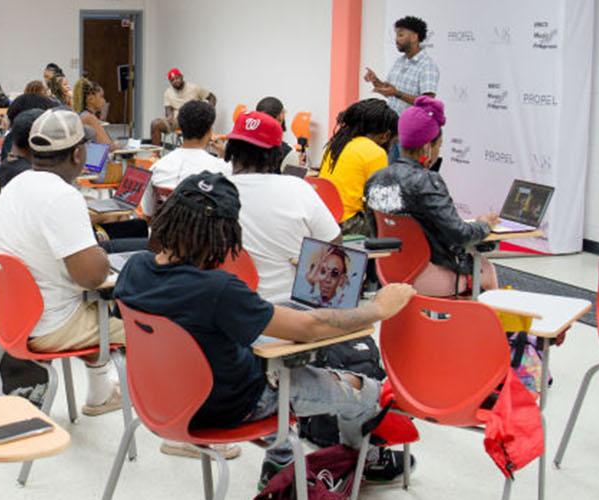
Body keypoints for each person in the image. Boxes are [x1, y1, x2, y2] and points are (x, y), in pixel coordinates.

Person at [112, 171, 416, 484]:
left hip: (160, 400)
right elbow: (309, 327)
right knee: (366, 390)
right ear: (225, 233)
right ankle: (364, 463)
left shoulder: (135, 269)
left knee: (267, 354)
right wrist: (376, 309)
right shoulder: (218, 290)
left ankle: (281, 463)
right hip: (233, 406)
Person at [0, 108, 127, 416]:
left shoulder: (15, 186)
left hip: (12, 320)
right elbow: (91, 277)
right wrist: (99, 253)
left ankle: (101, 393)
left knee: (95, 306)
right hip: (53, 325)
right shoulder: (62, 197)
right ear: (78, 154)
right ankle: (184, 429)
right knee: (156, 322)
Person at [365, 96, 499, 297]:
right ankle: (495, 327)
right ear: (428, 146)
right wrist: (484, 225)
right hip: (428, 275)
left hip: (387, 270)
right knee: (487, 269)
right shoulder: (428, 181)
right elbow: (460, 234)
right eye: (439, 145)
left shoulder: (375, 179)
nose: (438, 151)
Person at [226, 111, 341, 302]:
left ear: (230, 150)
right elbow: (334, 244)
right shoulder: (298, 188)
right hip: (293, 309)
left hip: (230, 308)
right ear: (277, 154)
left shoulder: (214, 191)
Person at [365, 15, 438, 162]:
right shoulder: (400, 62)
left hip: (410, 137)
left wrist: (397, 93)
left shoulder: (427, 66)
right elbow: (390, 91)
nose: (396, 39)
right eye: (396, 34)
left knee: (403, 179)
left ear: (415, 37)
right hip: (391, 132)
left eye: (401, 34)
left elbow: (427, 103)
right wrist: (376, 81)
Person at [140, 100, 231, 217]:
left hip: (167, 232)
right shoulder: (222, 169)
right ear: (209, 132)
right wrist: (224, 156)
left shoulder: (156, 168)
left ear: (180, 130)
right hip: (203, 233)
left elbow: (148, 211)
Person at [320, 99, 397, 236]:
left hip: (324, 221)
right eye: (394, 142)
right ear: (385, 136)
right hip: (349, 226)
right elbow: (382, 205)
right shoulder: (375, 152)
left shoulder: (337, 144)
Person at [150, 68, 215, 145]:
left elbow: (212, 98)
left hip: (194, 120)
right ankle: (156, 155)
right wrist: (169, 117)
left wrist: (208, 112)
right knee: (155, 124)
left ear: (181, 77)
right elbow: (168, 110)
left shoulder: (194, 88)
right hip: (178, 121)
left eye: (177, 78)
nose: (175, 81)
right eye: (172, 80)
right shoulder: (168, 92)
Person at [297, 243, 354, 308]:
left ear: (341, 279)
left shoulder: (342, 306)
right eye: (323, 271)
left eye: (334, 273)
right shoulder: (309, 300)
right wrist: (309, 281)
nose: (327, 279)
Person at [254, 97, 301, 170]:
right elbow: (294, 180)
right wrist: (296, 161)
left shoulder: (241, 147)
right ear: (280, 116)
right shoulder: (288, 152)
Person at [73, 78, 112, 145]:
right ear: (90, 98)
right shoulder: (89, 117)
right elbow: (107, 144)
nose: (104, 100)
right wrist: (118, 144)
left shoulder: (85, 115)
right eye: (101, 96)